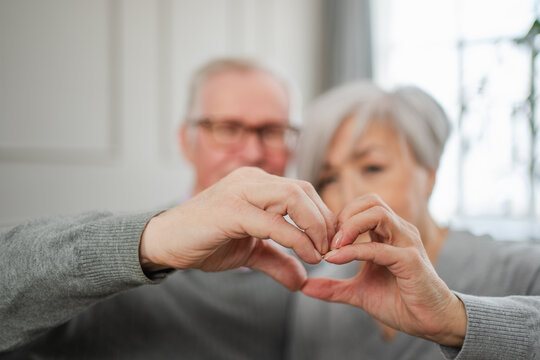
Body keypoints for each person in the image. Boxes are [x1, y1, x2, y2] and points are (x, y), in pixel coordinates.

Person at [1, 58, 335, 358]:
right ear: (185, 141)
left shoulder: (324, 270)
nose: (252, 152)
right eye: (228, 129)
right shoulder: (118, 278)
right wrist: (149, 242)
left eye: (272, 131)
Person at [287, 81, 540, 359]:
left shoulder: (522, 272)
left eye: (373, 167)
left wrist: (455, 317)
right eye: (329, 179)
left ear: (429, 173)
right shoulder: (317, 300)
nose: (348, 196)